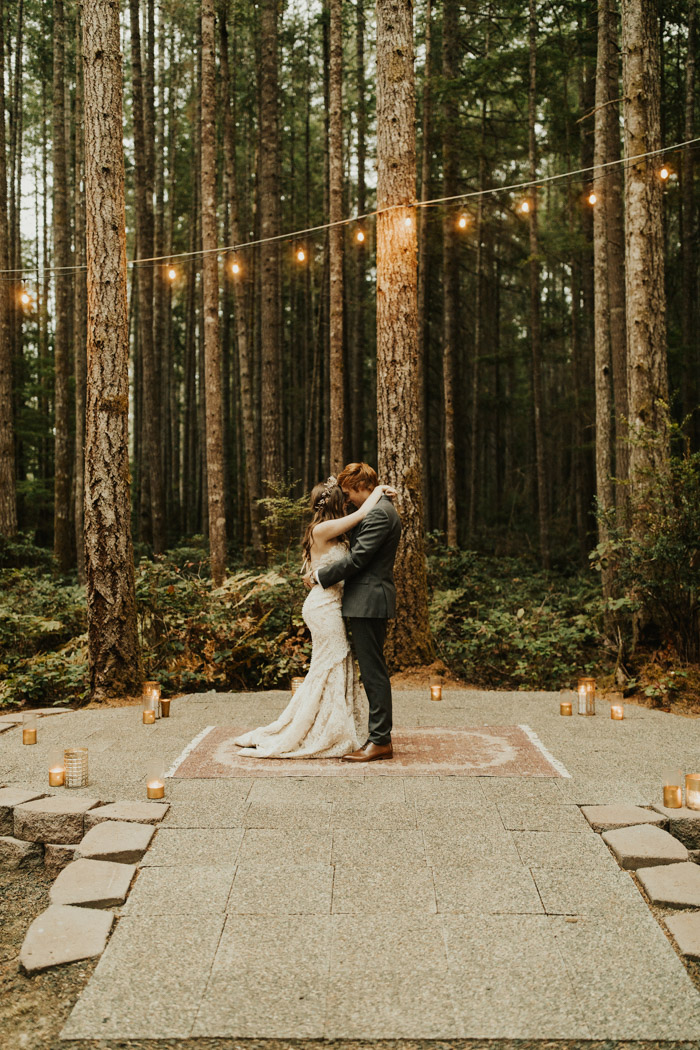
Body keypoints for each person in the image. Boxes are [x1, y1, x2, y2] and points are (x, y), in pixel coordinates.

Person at [233, 474, 394, 758]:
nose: (348, 503)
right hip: (323, 607)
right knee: (327, 668)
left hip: (334, 604)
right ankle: (316, 729)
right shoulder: (325, 528)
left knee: (332, 668)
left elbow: (357, 544)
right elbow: (362, 519)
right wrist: (378, 490)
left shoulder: (332, 530)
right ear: (335, 503)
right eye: (343, 498)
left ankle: (333, 726)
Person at [304, 462, 402, 763]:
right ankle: (372, 734)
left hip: (369, 601)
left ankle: (380, 741)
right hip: (362, 600)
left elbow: (358, 559)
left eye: (349, 493)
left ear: (362, 488)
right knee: (371, 671)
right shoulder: (377, 508)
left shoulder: (380, 513)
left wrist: (320, 576)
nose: (347, 500)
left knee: (373, 672)